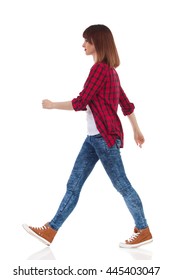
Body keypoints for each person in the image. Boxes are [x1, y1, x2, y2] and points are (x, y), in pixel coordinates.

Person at [23, 24, 152, 248]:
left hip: (104, 138)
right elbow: (126, 105)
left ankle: (143, 229)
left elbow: (81, 102)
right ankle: (51, 231)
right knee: (74, 184)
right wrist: (137, 130)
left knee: (122, 184)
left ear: (97, 43)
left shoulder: (100, 70)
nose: (83, 45)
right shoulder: (111, 72)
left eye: (87, 41)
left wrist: (52, 105)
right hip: (95, 138)